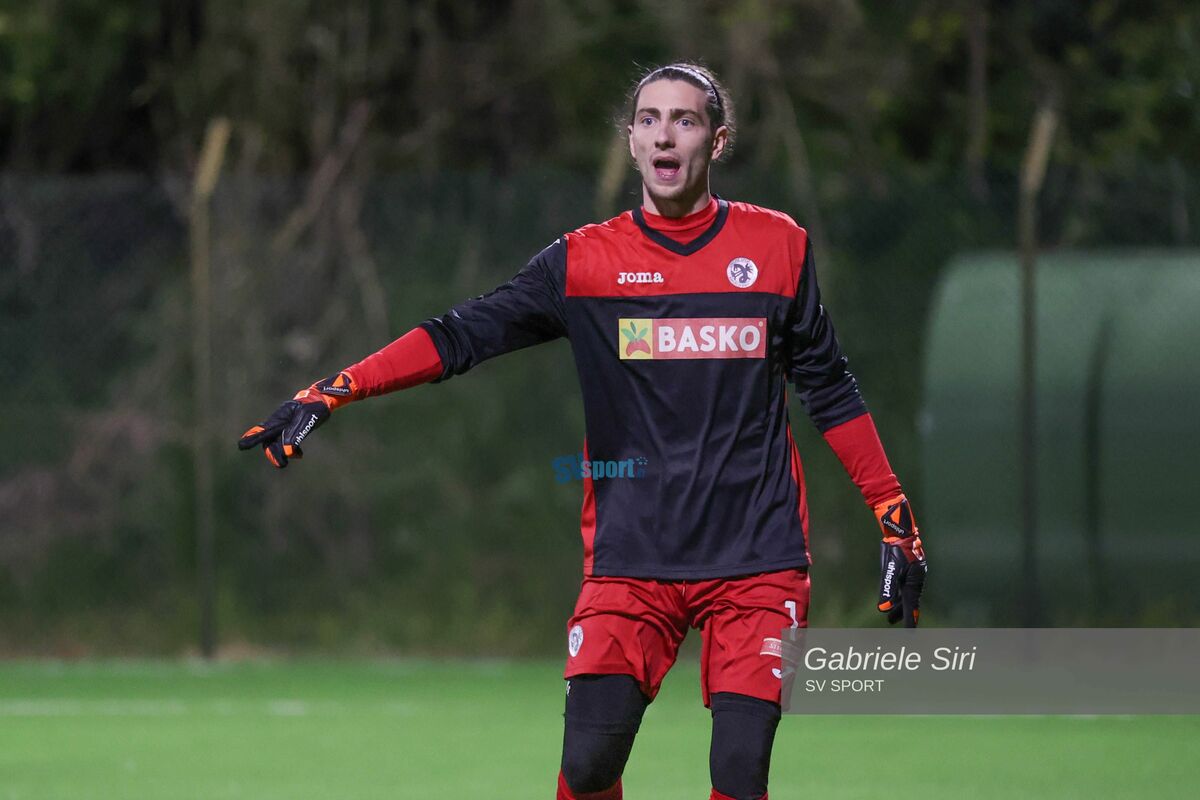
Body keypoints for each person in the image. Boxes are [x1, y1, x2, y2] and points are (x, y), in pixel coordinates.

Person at [239, 62, 927, 800]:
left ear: (717, 141)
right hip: (631, 560)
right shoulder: (584, 262)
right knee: (588, 767)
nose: (665, 135)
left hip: (756, 559)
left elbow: (829, 386)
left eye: (685, 120)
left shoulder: (777, 246)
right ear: (630, 141)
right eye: (648, 119)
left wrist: (893, 517)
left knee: (739, 769)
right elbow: (461, 334)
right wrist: (338, 388)